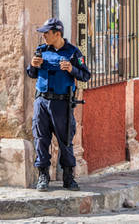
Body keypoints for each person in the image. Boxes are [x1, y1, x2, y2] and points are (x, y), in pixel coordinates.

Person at [27, 18, 91, 191]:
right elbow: (31, 73)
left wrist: (72, 69)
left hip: (61, 104)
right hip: (41, 102)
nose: (44, 36)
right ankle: (43, 176)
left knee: (65, 140)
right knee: (41, 139)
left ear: (57, 33)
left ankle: (68, 177)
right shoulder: (41, 50)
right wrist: (32, 66)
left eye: (47, 33)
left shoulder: (73, 53)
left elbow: (85, 75)